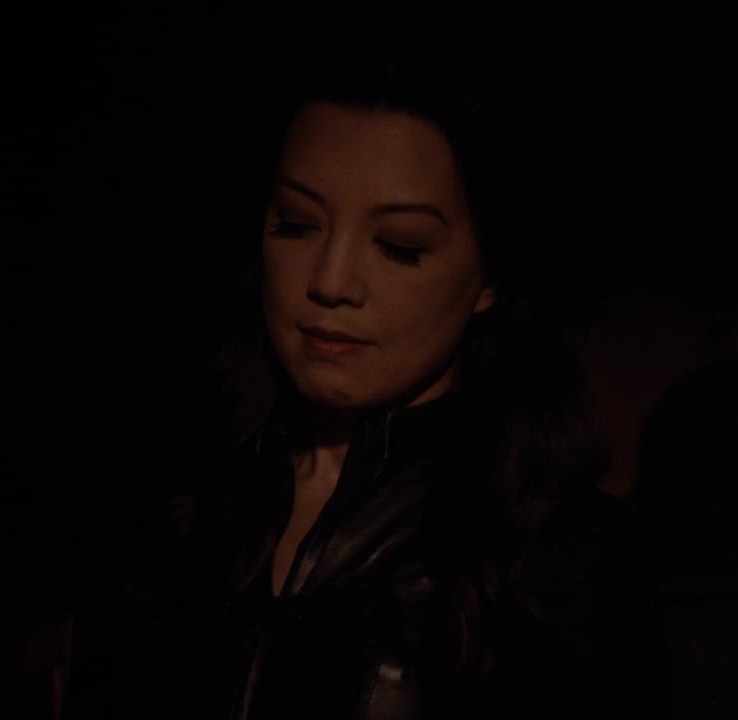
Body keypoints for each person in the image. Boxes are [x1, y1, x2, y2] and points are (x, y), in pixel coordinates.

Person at [62, 36, 669, 720]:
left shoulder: (564, 552)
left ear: (489, 276)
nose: (331, 282)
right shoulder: (170, 496)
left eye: (399, 247)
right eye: (297, 225)